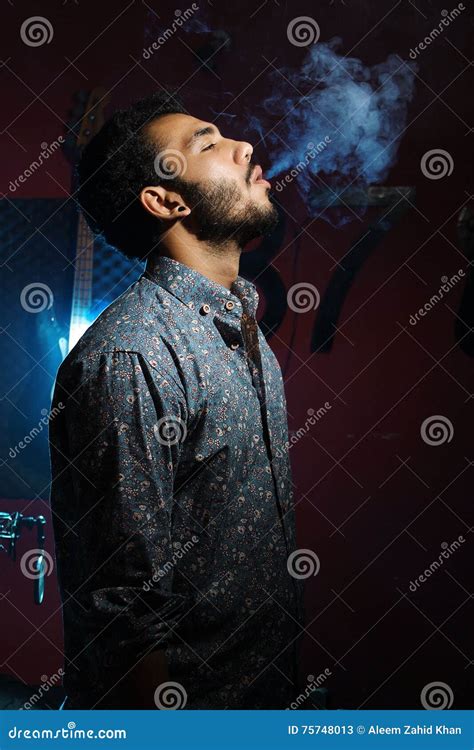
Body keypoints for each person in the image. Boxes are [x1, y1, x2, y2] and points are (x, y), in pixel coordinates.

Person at [49, 90, 305, 709]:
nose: (245, 147)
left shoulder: (243, 332)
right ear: (166, 199)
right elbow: (122, 608)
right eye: (207, 143)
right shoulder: (131, 357)